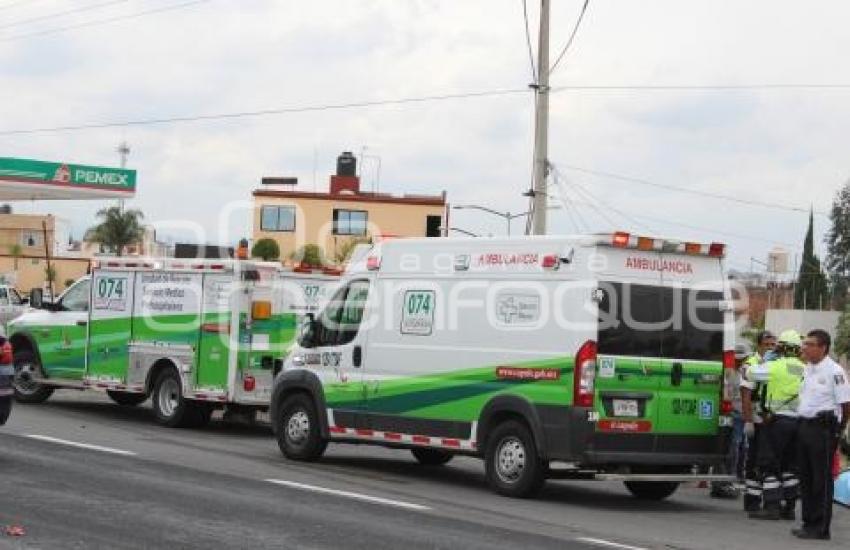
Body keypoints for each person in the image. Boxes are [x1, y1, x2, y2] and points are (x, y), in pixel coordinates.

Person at [792, 329, 850, 540]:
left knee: (821, 481)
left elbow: (846, 405)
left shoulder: (834, 371)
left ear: (823, 347)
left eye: (809, 344)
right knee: (806, 478)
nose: (804, 347)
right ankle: (808, 522)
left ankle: (820, 527)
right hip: (805, 426)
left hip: (823, 429)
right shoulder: (808, 368)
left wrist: (838, 431)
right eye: (805, 343)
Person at [744, 330, 804, 520]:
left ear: (782, 347)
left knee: (768, 464)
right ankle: (790, 508)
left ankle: (771, 507)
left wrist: (754, 363)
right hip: (799, 423)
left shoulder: (774, 366)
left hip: (776, 422)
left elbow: (749, 373)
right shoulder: (804, 368)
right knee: (789, 467)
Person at [739, 330, 777, 512]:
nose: (770, 348)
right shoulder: (751, 364)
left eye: (773, 345)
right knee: (754, 459)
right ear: (759, 345)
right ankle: (752, 501)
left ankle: (767, 499)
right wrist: (748, 421)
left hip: (770, 418)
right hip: (755, 416)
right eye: (767, 345)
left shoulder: (776, 364)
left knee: (768, 459)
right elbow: (745, 395)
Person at [711, 342, 750, 498]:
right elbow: (724, 395)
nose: (740, 361)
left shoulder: (747, 371)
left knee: (738, 448)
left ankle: (730, 480)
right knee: (728, 448)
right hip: (729, 415)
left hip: (740, 416)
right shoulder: (727, 373)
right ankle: (721, 482)